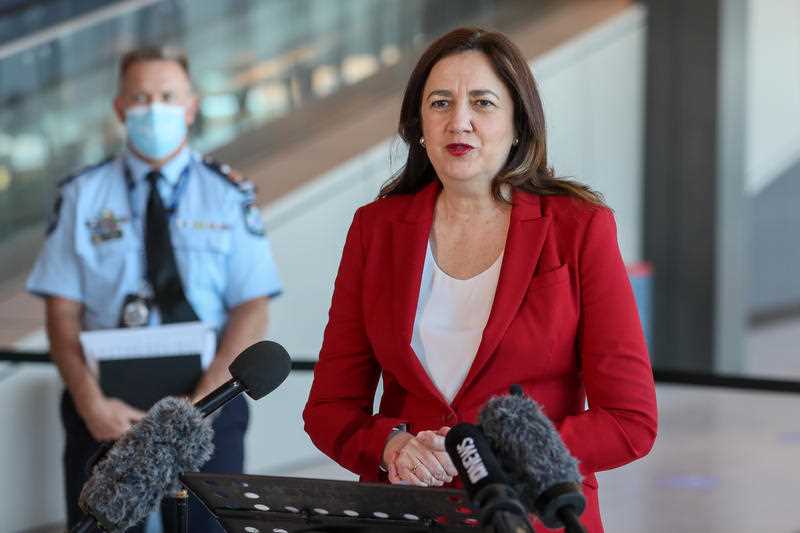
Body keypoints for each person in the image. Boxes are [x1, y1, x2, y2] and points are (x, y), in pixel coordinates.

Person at [303, 28, 657, 532]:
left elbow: (630, 422)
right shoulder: (376, 229)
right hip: (407, 515)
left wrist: (498, 455)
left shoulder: (579, 228)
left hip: (532, 516)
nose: (459, 121)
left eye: (483, 103)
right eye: (440, 103)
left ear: (518, 124)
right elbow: (330, 408)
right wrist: (390, 445)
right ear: (419, 126)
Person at [27, 47, 282, 532]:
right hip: (104, 407)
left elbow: (252, 306)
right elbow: (62, 315)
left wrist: (203, 403)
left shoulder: (228, 195)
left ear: (190, 106)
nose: (154, 108)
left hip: (208, 402)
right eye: (141, 97)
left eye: (167, 96)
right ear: (120, 108)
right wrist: (88, 402)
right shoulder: (82, 195)